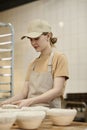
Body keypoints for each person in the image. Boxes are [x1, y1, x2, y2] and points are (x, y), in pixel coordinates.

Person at [0, 19, 69, 108]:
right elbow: (23, 93)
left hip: (50, 114)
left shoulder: (59, 58)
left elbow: (58, 90)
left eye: (36, 38)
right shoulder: (32, 64)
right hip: (31, 113)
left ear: (48, 36)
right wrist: (5, 103)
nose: (33, 43)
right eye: (30, 39)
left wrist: (30, 101)